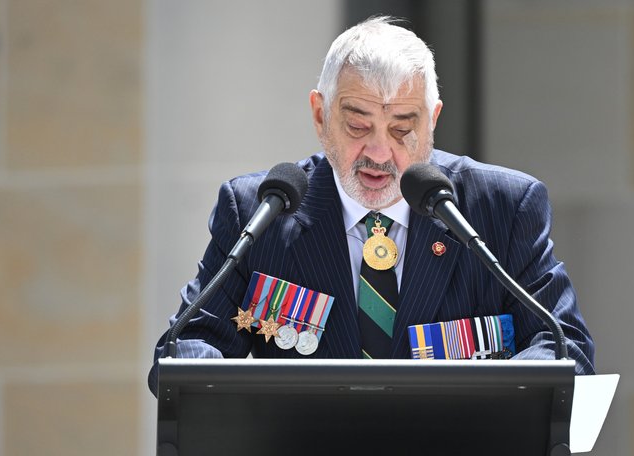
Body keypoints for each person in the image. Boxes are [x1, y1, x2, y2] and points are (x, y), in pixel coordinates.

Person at [148, 16, 594, 395]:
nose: (379, 153)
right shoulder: (260, 210)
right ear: (320, 115)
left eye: (403, 128)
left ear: (433, 119)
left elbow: (563, 346)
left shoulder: (503, 207)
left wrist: (482, 408)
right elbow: (186, 346)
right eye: (358, 124)